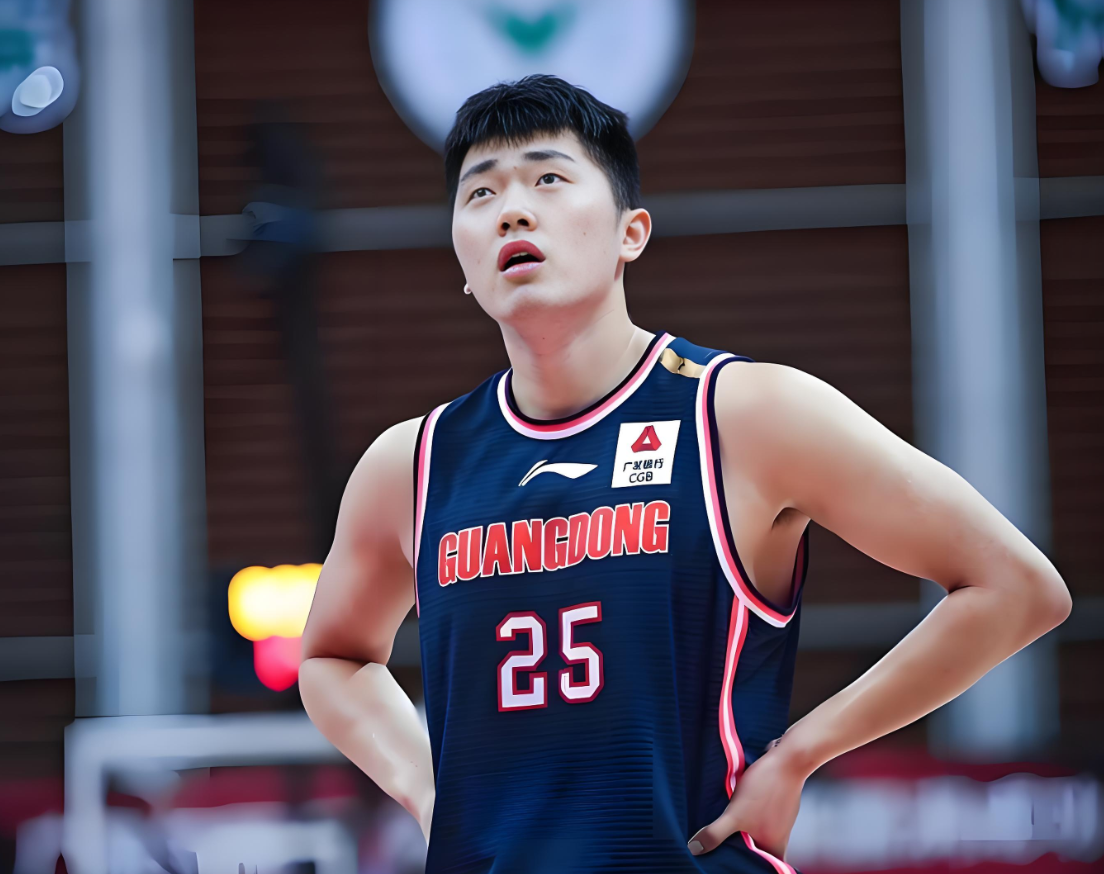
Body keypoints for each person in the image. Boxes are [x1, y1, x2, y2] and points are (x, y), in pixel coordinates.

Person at [298, 75, 1071, 873]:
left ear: (631, 232)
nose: (512, 211)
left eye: (549, 178)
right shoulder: (412, 463)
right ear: (462, 259)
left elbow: (1016, 587)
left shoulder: (746, 413)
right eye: (481, 193)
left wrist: (804, 751)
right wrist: (428, 789)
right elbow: (331, 658)